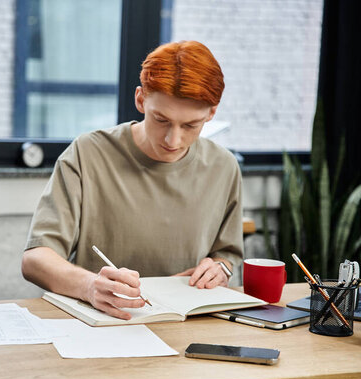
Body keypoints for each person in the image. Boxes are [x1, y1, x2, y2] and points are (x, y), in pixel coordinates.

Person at [21, 40, 243, 320]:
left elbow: (227, 256)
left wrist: (220, 269)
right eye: (161, 119)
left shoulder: (224, 167)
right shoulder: (87, 153)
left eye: (190, 126)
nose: (173, 140)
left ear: (211, 113)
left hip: (190, 328)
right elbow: (35, 260)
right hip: (104, 326)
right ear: (140, 99)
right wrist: (90, 287)